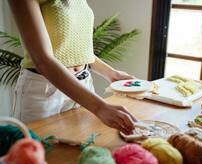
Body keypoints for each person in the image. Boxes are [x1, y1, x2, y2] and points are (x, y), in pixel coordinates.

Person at [8, 0, 137, 134]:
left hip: (83, 84)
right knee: (39, 151)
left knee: (82, 147)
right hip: (44, 91)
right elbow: (42, 60)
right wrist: (100, 107)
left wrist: (112, 74)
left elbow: (79, 50)